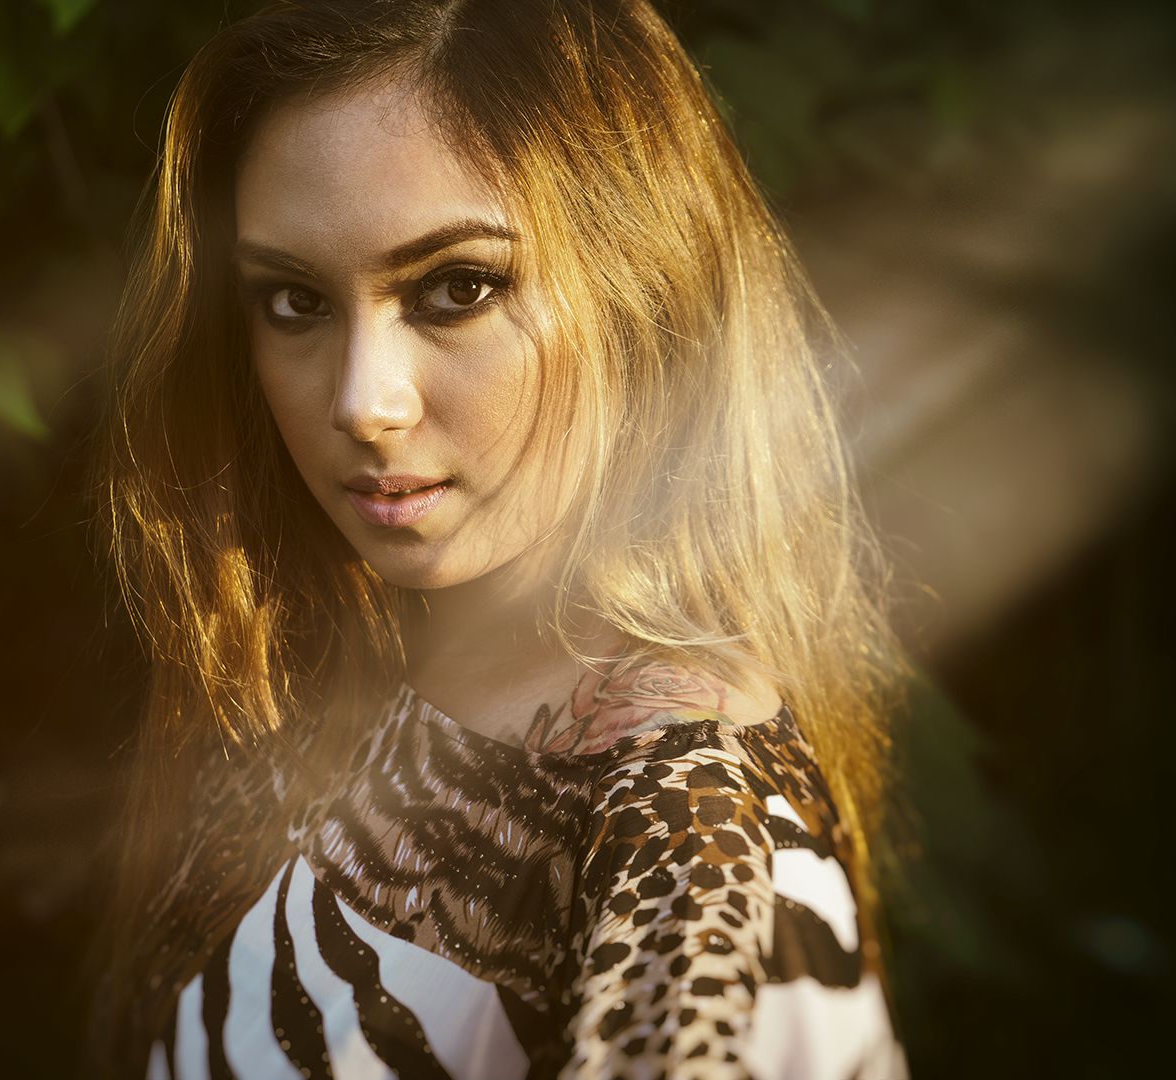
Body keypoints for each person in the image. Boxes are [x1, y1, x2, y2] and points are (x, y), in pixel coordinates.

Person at [88, 1, 912, 1076]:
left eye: (455, 288)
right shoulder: (319, 662)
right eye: (294, 301)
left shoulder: (690, 837)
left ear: (647, 287)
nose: (363, 403)